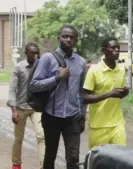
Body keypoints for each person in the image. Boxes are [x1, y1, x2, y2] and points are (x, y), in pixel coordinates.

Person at [30, 25, 87, 169]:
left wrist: (82, 116)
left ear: (76, 40)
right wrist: (56, 78)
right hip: (51, 115)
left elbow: (82, 92)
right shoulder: (48, 59)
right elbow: (34, 85)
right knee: (50, 155)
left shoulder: (81, 62)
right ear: (59, 38)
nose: (68, 39)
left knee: (73, 158)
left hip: (72, 117)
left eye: (72, 37)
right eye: (65, 36)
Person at [82, 37, 129, 149]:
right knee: (100, 162)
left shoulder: (121, 69)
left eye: (118, 48)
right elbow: (84, 98)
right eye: (113, 47)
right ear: (104, 50)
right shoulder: (94, 70)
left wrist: (123, 93)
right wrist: (108, 94)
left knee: (121, 160)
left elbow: (118, 95)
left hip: (118, 124)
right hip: (98, 126)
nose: (117, 50)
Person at [8, 43, 45, 169]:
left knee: (41, 135)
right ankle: (16, 164)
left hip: (36, 108)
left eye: (37, 53)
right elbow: (12, 90)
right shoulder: (19, 68)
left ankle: (43, 165)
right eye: (32, 53)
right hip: (20, 107)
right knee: (19, 138)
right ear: (26, 53)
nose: (35, 55)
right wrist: (13, 110)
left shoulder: (41, 67)